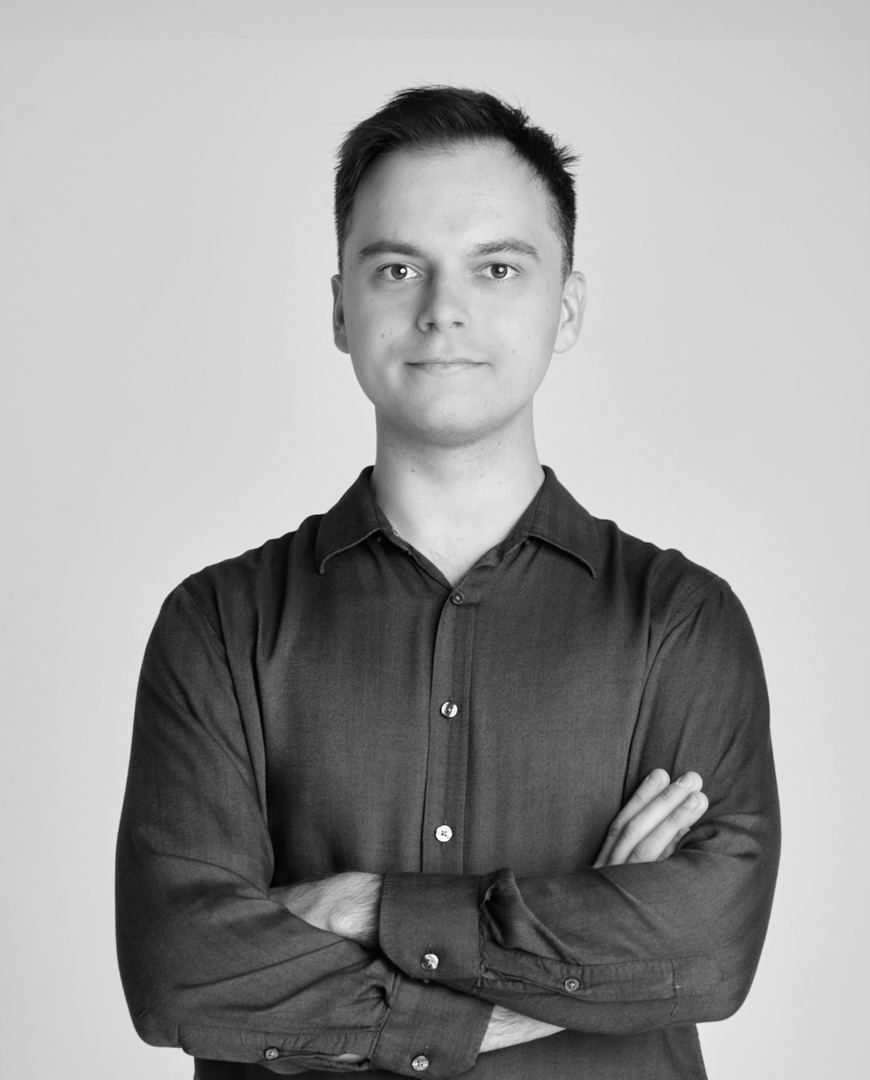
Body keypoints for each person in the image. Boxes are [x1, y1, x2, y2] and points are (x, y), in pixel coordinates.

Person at [116, 86, 779, 1079]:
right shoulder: (218, 625)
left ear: (567, 307)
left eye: (496, 267)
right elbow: (180, 974)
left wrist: (369, 909)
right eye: (397, 269)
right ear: (341, 308)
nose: (443, 309)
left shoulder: (682, 623)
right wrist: (579, 964)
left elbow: (708, 953)